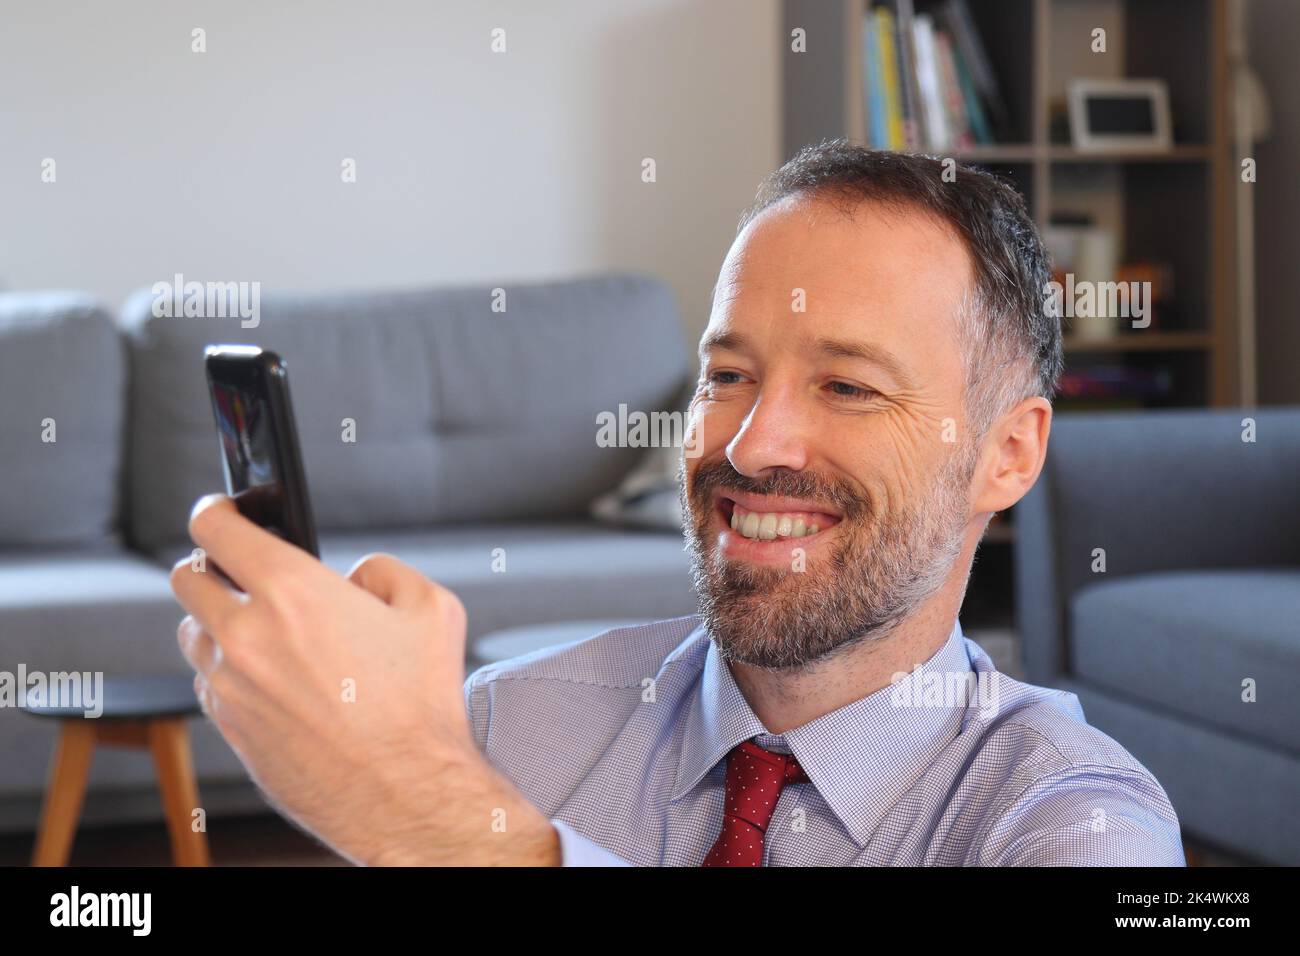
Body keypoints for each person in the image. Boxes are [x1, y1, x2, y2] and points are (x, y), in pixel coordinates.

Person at [171, 142, 1184, 866]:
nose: (750, 444)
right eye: (728, 374)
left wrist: (442, 826)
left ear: (1006, 454)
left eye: (846, 385)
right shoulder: (498, 726)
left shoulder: (1069, 817)